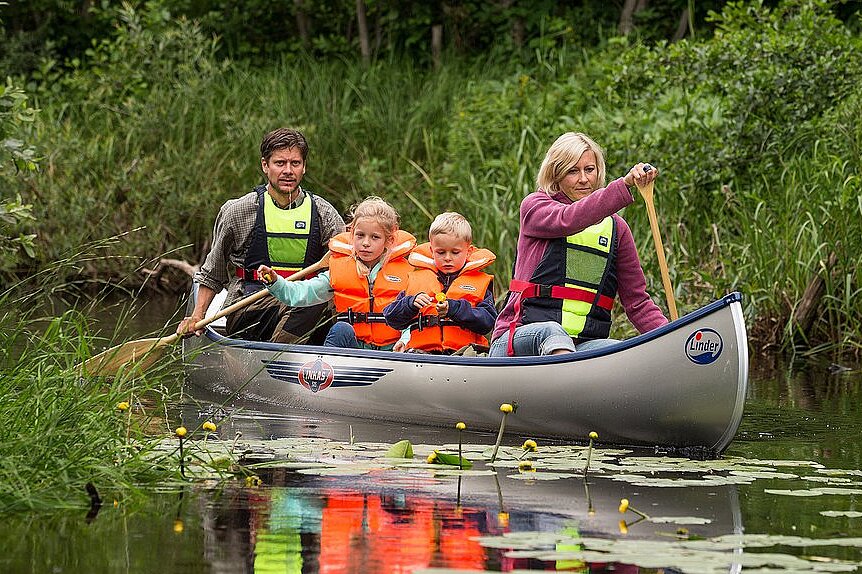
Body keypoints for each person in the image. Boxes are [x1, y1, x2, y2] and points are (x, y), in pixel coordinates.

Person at [489, 131, 668, 357]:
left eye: (589, 169)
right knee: (552, 332)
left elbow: (638, 303)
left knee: (618, 351)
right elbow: (569, 219)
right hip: (517, 339)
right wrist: (624, 184)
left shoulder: (617, 229)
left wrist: (672, 338)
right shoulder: (535, 207)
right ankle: (569, 380)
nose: (583, 179)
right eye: (573, 171)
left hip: (582, 348)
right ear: (556, 176)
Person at [177, 128, 345, 343]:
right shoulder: (239, 211)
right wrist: (197, 315)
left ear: (304, 167)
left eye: (295, 163)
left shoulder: (324, 213)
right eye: (280, 163)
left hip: (307, 307)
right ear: (265, 165)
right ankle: (273, 366)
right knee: (309, 304)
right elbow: (213, 272)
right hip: (250, 308)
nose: (288, 171)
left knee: (329, 307)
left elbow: (347, 265)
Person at [257, 196, 416, 349]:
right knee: (341, 329)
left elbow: (414, 319)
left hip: (394, 352)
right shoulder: (339, 270)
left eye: (375, 237)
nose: (366, 243)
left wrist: (405, 340)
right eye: (360, 235)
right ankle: (329, 371)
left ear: (389, 241)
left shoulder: (407, 275)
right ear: (352, 234)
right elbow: (300, 294)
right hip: (353, 349)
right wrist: (276, 282)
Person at [383, 212, 497, 354]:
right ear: (432, 251)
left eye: (455, 252)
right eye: (441, 252)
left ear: (469, 251)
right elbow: (391, 317)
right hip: (422, 355)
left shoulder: (480, 283)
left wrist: (455, 309)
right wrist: (410, 303)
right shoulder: (416, 280)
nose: (447, 258)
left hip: (464, 355)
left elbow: (487, 322)